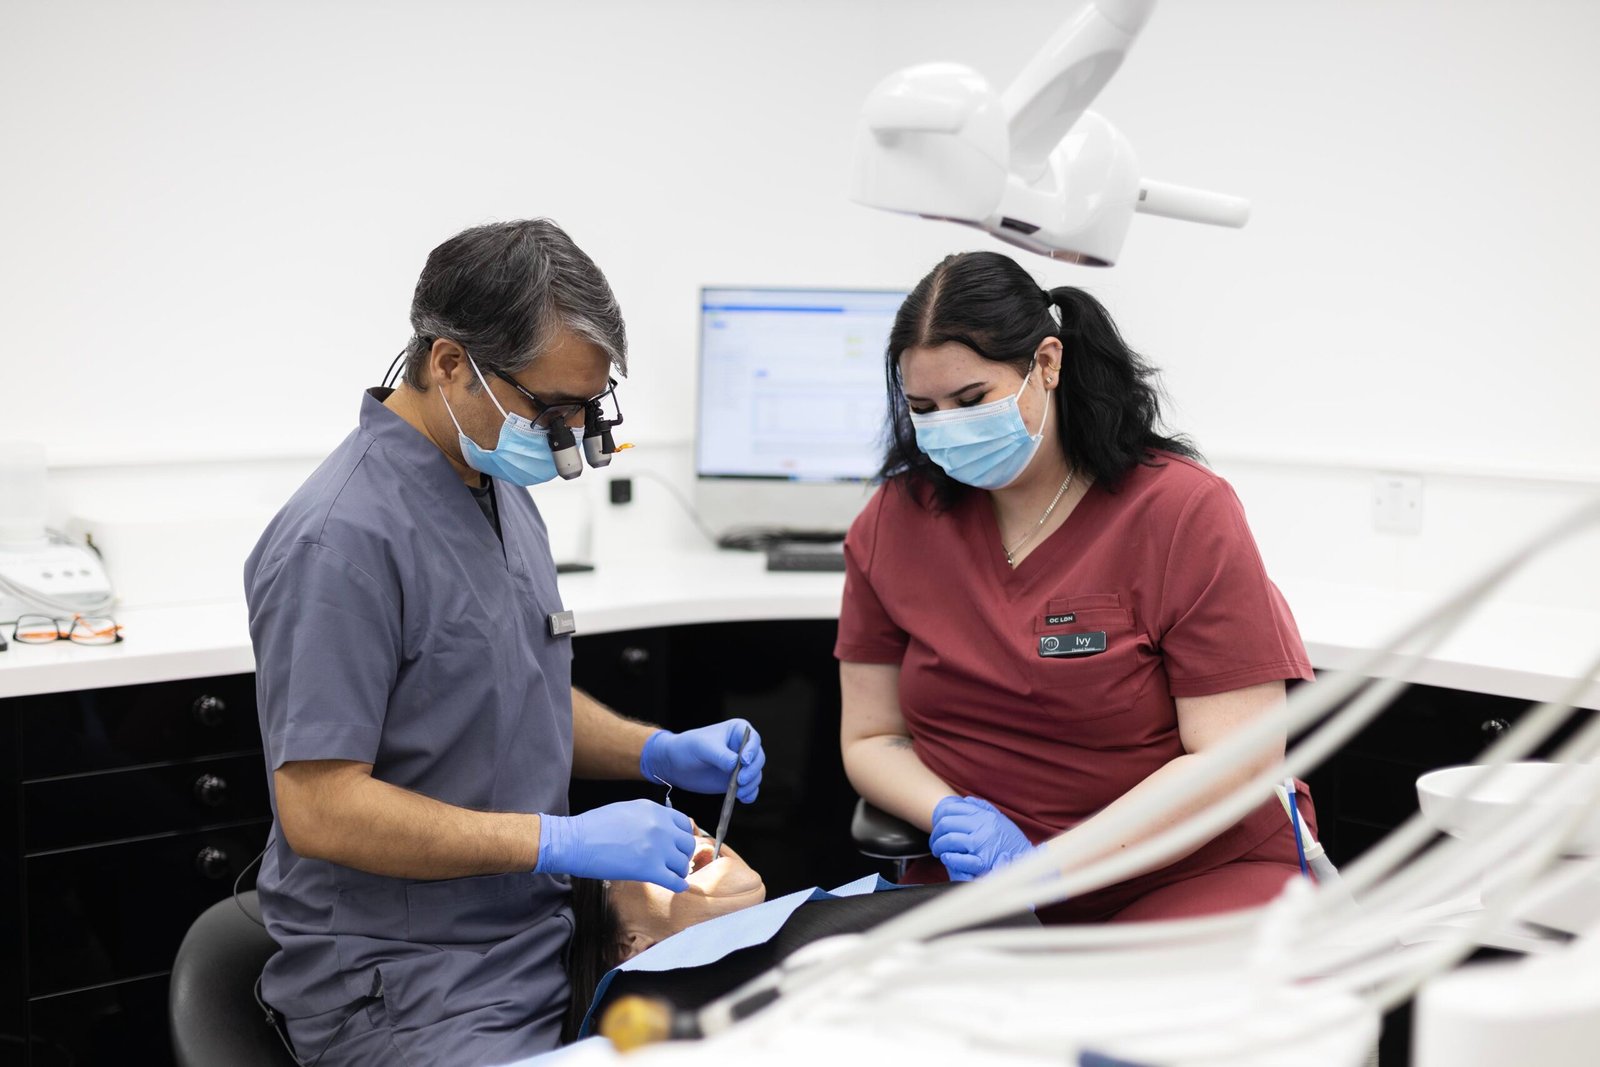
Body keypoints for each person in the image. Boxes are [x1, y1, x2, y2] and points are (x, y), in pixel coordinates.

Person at [244, 218, 766, 1066]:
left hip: (536, 938)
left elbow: (506, 685)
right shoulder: (339, 540)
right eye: (551, 407)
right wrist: (558, 840)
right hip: (410, 986)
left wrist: (659, 751)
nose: (568, 436)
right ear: (451, 363)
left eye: (587, 408)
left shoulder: (490, 479)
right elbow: (320, 804)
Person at [836, 250, 1316, 924]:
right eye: (924, 407)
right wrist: (946, 811)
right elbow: (871, 737)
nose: (948, 426)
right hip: (977, 882)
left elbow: (1235, 759)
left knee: (1129, 1023)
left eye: (972, 400)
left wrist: (1051, 864)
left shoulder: (1181, 512)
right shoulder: (895, 521)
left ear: (1049, 364)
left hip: (1186, 871)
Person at [561, 835, 1039, 1042]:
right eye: (632, 852)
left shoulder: (788, 939)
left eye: (677, 824)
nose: (684, 835)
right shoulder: (659, 1018)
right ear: (629, 946)